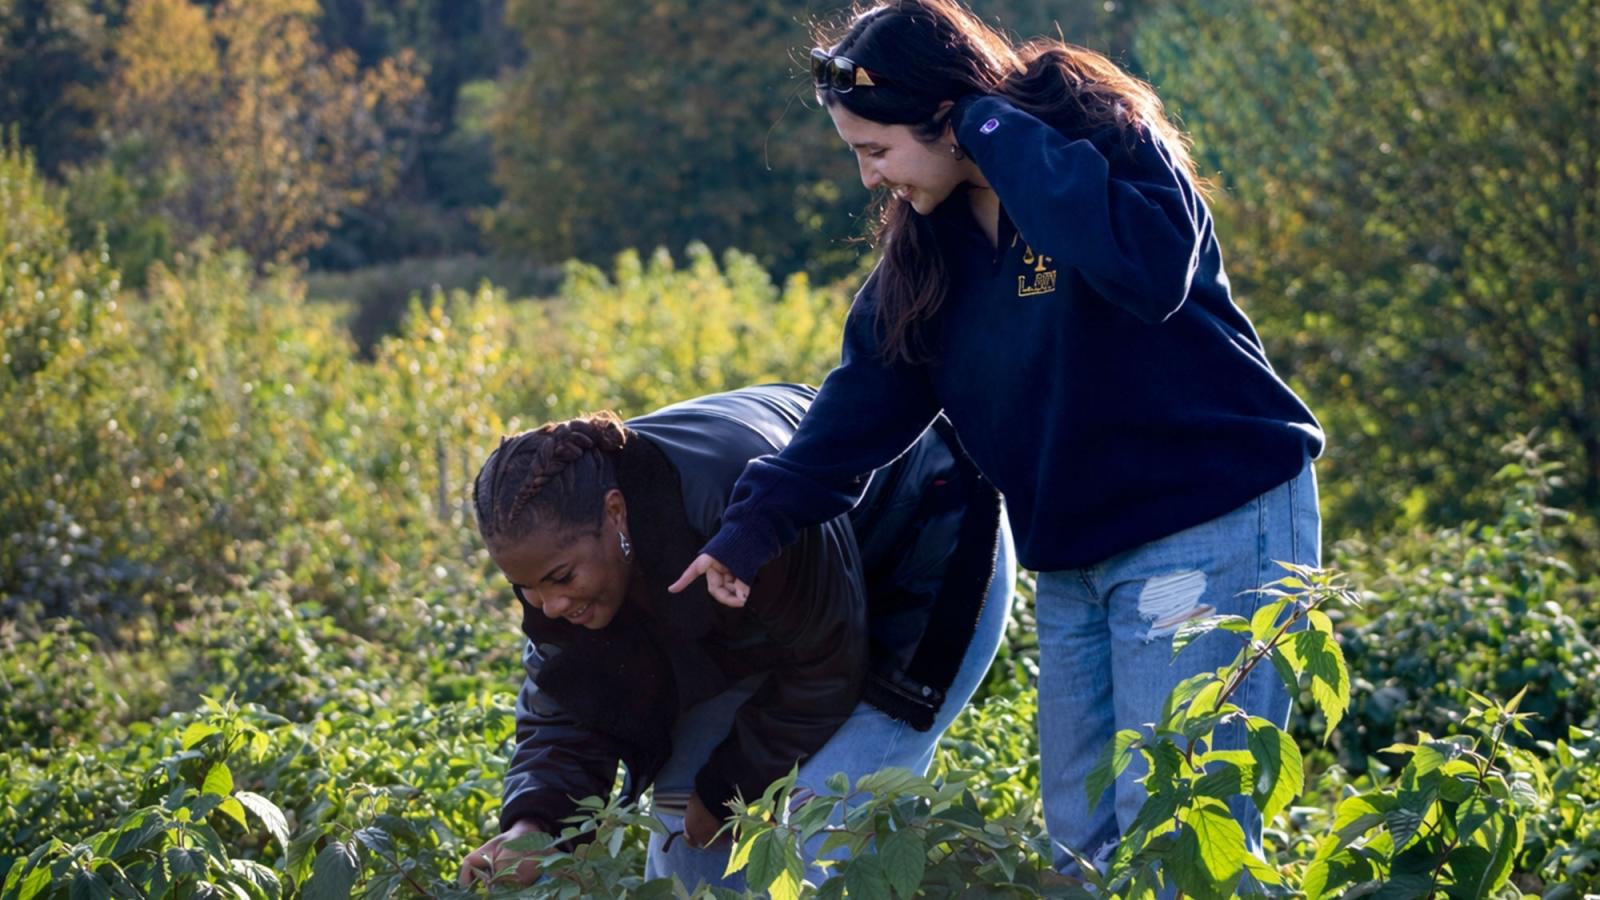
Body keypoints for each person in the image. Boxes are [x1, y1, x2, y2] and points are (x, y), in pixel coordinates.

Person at [671, 0, 1324, 876]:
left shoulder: (1107, 141)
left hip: (1210, 523)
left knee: (1181, 835)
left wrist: (985, 120)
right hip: (1075, 564)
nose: (871, 178)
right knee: (1081, 850)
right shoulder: (929, 254)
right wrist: (751, 533)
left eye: (877, 150)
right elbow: (861, 404)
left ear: (947, 120)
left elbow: (1146, 272)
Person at [459, 384, 1013, 890]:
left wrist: (731, 786)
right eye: (524, 588)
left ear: (615, 513)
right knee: (684, 838)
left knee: (811, 839)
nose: (550, 606)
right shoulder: (559, 564)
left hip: (926, 547)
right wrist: (533, 828)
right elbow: (569, 706)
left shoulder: (731, 500)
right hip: (781, 617)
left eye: (561, 579)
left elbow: (827, 657)